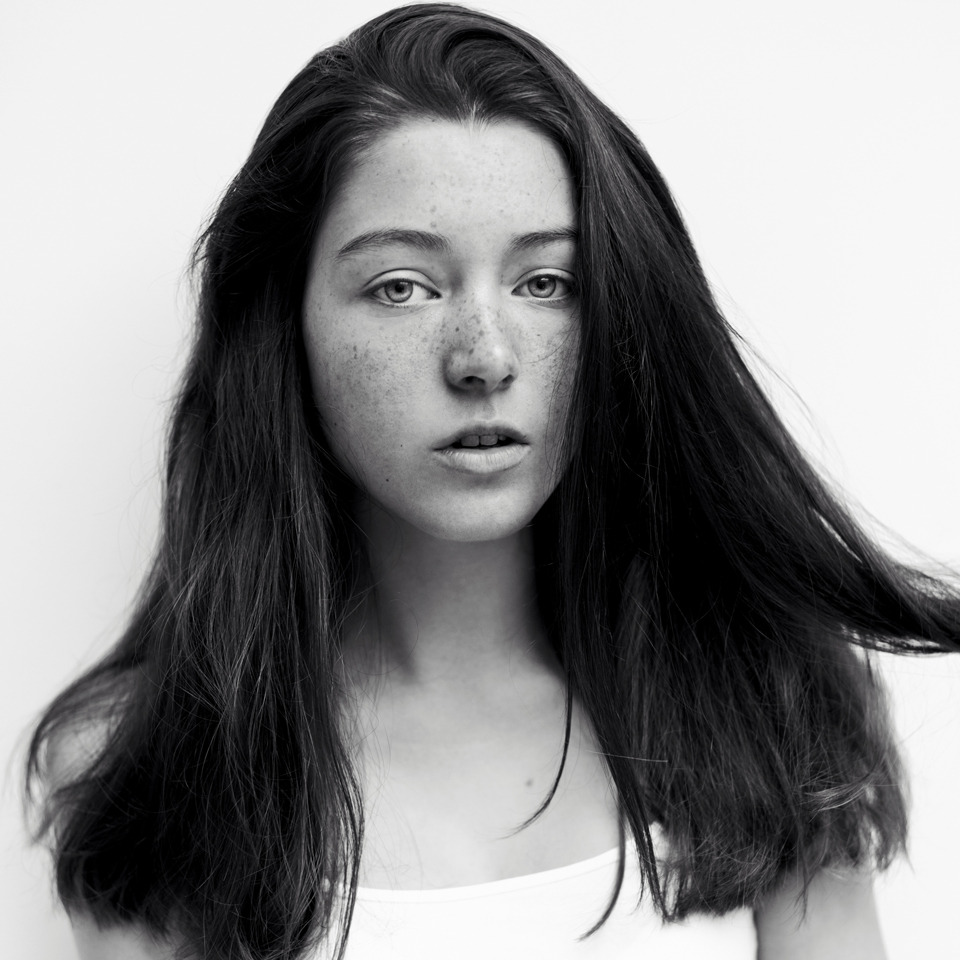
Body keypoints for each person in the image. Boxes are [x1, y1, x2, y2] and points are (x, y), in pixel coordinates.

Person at [24, 4, 960, 959]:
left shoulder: (772, 704)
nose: (484, 357)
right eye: (402, 287)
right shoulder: (137, 768)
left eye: (546, 284)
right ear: (284, 326)